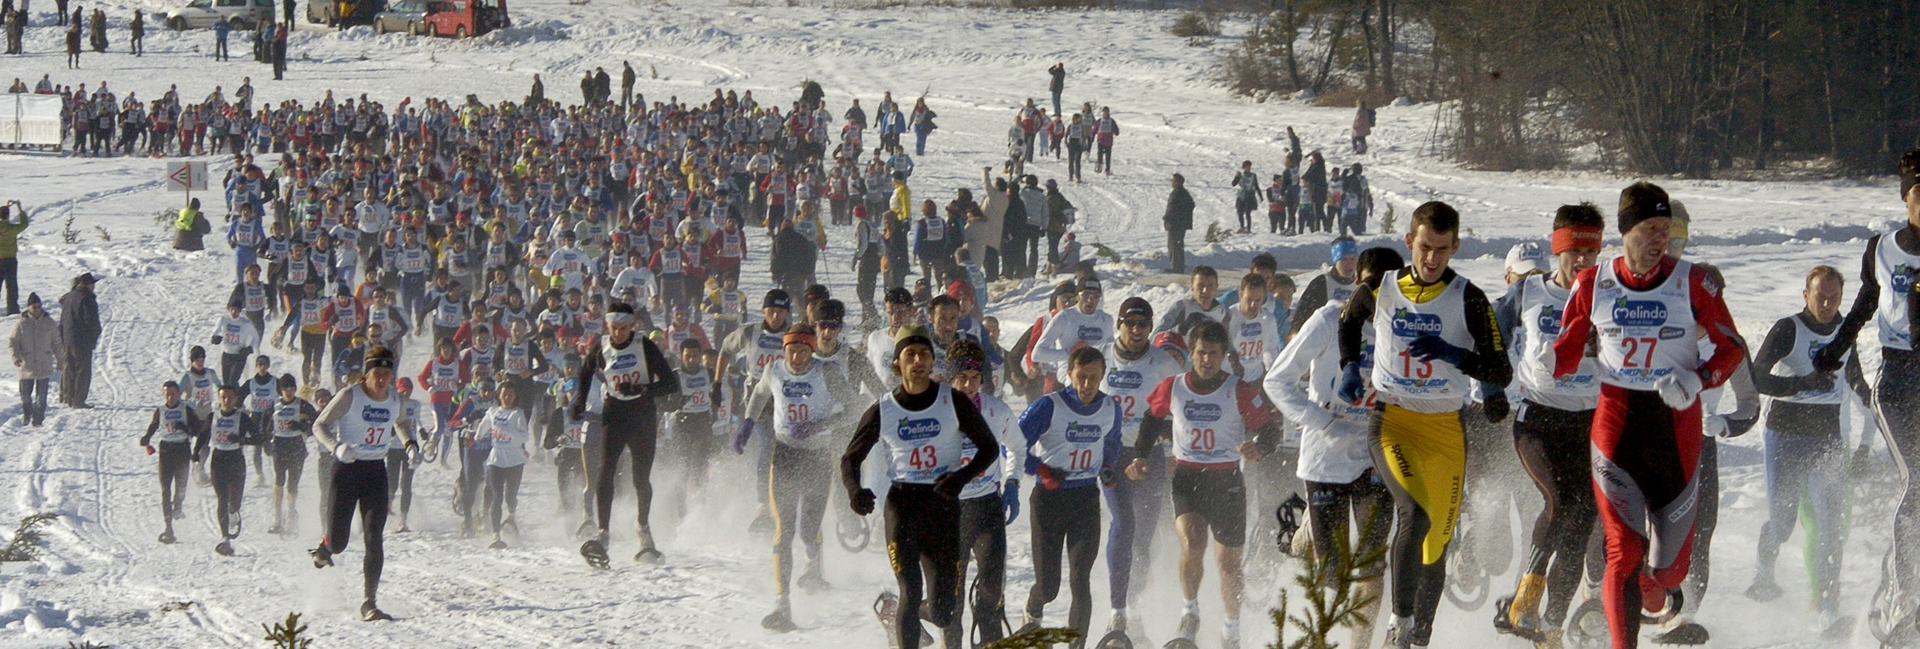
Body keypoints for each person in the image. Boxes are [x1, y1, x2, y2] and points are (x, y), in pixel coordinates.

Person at [1549, 183, 1743, 649]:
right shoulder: (1593, 283)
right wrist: (1558, 356)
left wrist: (1697, 380)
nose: (1661, 240)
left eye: (1667, 230)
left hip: (1676, 432)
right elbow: (1564, 353)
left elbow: (1732, 348)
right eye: (1651, 229)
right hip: (1616, 430)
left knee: (1670, 568)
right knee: (1623, 550)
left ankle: (1649, 593)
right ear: (1626, 232)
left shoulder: (1694, 281)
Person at [1335, 201, 1511, 649]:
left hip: (1446, 430)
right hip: (1392, 422)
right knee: (1414, 513)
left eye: (1442, 250)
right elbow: (1349, 320)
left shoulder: (1468, 296)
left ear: (1455, 247)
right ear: (1409, 242)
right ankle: (1400, 621)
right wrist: (1350, 367)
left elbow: (1500, 369)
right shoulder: (1383, 286)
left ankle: (1420, 636)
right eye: (1424, 247)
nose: (1431, 260)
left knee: (1437, 542)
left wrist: (1454, 354)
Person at [1266, 246, 1402, 649]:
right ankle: (1300, 533)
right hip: (1325, 457)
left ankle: (1359, 645)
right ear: (1355, 284)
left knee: (1372, 564)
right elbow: (1277, 381)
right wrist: (1321, 421)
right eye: (1370, 286)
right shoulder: (1328, 319)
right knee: (1332, 572)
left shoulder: (1405, 328)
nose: (1377, 296)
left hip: (1375, 457)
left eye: (1387, 287)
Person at [1489, 204, 1605, 649]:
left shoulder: (1607, 292)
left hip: (1590, 421)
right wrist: (1491, 389)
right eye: (1574, 250)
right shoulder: (1529, 292)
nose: (1582, 260)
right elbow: (1491, 335)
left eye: (1590, 251)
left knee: (1580, 527)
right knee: (1557, 500)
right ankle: (1528, 590)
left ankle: (1551, 629)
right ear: (1559, 248)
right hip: (1538, 418)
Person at [840, 324, 998, 649]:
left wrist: (959, 478)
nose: (918, 361)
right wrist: (855, 492)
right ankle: (904, 620)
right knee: (911, 591)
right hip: (903, 506)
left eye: (924, 354)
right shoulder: (883, 409)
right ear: (897, 363)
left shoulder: (952, 400)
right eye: (910, 354)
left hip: (943, 506)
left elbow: (989, 448)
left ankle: (898, 614)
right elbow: (850, 459)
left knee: (943, 612)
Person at [1130, 319, 1279, 649]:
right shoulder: (1174, 386)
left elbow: (1270, 431)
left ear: (1224, 354)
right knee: (1194, 543)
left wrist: (1260, 446)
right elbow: (1152, 419)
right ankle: (1190, 611)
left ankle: (1231, 628)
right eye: (1200, 353)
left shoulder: (1238, 389)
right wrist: (1140, 455)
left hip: (1226, 481)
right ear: (1191, 353)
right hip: (1187, 478)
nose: (1207, 360)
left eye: (1213, 353)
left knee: (1228, 566)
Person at [1740, 265, 1870, 638]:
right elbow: (1756, 375)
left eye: (1833, 298)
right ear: (1805, 295)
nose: (1827, 304)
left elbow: (1854, 378)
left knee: (1831, 526)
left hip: (1828, 439)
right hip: (1786, 436)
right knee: (1783, 522)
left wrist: (1875, 402)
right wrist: (1800, 384)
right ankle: (1765, 568)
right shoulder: (1788, 328)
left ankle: (1828, 607)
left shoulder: (1846, 331)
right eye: (1819, 296)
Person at [733, 323, 851, 632]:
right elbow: (759, 394)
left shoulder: (827, 372)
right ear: (782, 350)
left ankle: (814, 562)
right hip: (784, 455)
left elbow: (854, 409)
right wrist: (747, 422)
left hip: (816, 456)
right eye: (791, 350)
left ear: (812, 349)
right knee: (783, 531)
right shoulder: (774, 371)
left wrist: (821, 424)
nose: (796, 357)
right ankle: (781, 602)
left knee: (808, 530)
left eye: (802, 350)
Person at [1088, 297, 1182, 643]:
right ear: (1120, 326)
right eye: (1131, 324)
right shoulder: (1102, 354)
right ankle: (1117, 610)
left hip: (1149, 455)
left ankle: (1134, 603)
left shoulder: (1162, 362)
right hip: (1111, 453)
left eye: (1144, 324)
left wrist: (1176, 443)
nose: (1138, 330)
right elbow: (1079, 390)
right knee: (1123, 522)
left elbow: (1182, 403)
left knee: (1143, 535)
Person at [1016, 345, 1122, 649]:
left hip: (1085, 500)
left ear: (1103, 376)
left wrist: (1109, 467)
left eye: (1094, 378)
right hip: (1049, 501)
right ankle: (1033, 611)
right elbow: (1012, 445)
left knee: (1080, 579)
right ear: (1069, 374)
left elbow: (1112, 444)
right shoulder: (1048, 406)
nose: (1087, 385)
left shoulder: (1111, 408)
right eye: (1081, 377)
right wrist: (1040, 469)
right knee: (1049, 586)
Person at [308, 346, 419, 622]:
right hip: (346, 470)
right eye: (376, 373)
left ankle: (369, 602)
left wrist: (410, 444)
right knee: (339, 541)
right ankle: (325, 547)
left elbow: (401, 421)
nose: (381, 379)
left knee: (374, 537)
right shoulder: (350, 395)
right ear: (366, 374)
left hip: (375, 472)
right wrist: (336, 447)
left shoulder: (395, 399)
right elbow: (319, 425)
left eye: (386, 373)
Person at [569, 302, 677, 568]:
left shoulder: (644, 346)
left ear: (633, 326)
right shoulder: (601, 346)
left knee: (640, 477)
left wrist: (641, 388)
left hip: (641, 416)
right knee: (604, 471)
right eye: (614, 328)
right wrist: (580, 402)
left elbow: (670, 383)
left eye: (623, 328)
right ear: (608, 326)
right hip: (614, 413)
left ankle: (643, 530)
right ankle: (603, 533)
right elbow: (585, 372)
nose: (618, 333)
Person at [941, 338, 1022, 646]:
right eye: (961, 377)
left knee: (990, 590)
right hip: (950, 511)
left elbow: (1017, 445)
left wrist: (1012, 483)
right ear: (950, 378)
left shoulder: (996, 410)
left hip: (987, 506)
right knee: (952, 597)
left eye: (975, 378)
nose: (969, 384)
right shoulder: (935, 412)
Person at [141, 381, 202, 544]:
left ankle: (178, 505)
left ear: (179, 394)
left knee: (180, 487)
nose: (170, 397)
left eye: (173, 393)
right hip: (166, 451)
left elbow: (198, 431)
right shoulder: (160, 411)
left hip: (182, 450)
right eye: (167, 394)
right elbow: (153, 426)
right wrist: (146, 438)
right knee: (165, 490)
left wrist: (185, 428)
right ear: (163, 395)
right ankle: (168, 528)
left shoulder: (186, 410)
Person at [200, 385, 254, 556]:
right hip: (218, 460)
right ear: (219, 398)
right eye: (223, 397)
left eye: (230, 397)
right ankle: (225, 539)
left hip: (236, 460)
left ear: (236, 399)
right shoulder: (213, 417)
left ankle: (234, 511)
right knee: (222, 498)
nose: (226, 401)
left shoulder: (242, 418)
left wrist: (241, 439)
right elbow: (203, 436)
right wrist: (195, 454)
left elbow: (258, 437)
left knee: (235, 500)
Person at [475, 382, 530, 549]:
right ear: (499, 395)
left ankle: (511, 517)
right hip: (496, 460)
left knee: (510, 496)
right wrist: (478, 436)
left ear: (515, 397)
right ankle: (495, 534)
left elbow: (524, 437)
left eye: (510, 394)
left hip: (514, 461)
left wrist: (506, 432)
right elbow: (482, 428)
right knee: (496, 497)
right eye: (505, 394)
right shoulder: (492, 412)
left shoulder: (517, 413)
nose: (507, 397)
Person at [266, 373, 315, 536]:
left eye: (292, 388)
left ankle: (291, 512)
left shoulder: (303, 405)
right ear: (280, 390)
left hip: (296, 446)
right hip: (280, 445)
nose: (289, 391)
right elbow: (265, 426)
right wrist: (266, 442)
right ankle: (277, 517)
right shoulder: (274, 406)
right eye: (285, 388)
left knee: (293, 483)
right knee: (279, 479)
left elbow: (316, 425)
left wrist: (301, 426)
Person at [1290, 238, 1360, 336]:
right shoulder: (1321, 284)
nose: (1349, 264)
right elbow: (1300, 318)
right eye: (1344, 259)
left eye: (1353, 259)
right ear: (1336, 261)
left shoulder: (1361, 284)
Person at [11, 293, 59, 427]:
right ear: (28, 308)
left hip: (44, 363)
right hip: (26, 365)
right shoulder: (21, 323)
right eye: (34, 307)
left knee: (41, 397)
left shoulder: (49, 322)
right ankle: (27, 414)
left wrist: (61, 361)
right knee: (25, 396)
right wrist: (16, 357)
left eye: (39, 306)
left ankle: (38, 420)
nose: (37, 309)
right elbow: (13, 342)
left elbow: (56, 343)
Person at [58, 272, 99, 409]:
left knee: (70, 369)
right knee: (83, 371)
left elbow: (63, 319)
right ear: (87, 285)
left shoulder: (69, 296)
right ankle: (78, 400)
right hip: (82, 341)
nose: (93, 287)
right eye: (92, 284)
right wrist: (93, 338)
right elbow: (91, 321)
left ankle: (68, 397)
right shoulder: (87, 298)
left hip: (68, 339)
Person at [0, 200, 30, 315]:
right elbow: (24, 224)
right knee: (11, 287)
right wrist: (20, 209)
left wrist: (4, 208)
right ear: (8, 215)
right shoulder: (12, 229)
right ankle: (12, 310)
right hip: (10, 261)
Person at [1162, 174, 1193, 274]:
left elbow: (1176, 208)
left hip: (1176, 224)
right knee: (1177, 245)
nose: (1171, 182)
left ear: (1178, 182)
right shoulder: (1181, 192)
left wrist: (1170, 217)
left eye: (1173, 180)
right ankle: (1179, 265)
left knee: (1174, 246)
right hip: (1178, 224)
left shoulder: (1179, 193)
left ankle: (1176, 267)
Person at [1230, 161, 1258, 234]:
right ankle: (1242, 227)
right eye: (1247, 167)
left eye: (1249, 167)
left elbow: (1256, 186)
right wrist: (1236, 176)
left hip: (1250, 196)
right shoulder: (1240, 175)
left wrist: (1260, 196)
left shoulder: (1253, 175)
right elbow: (1233, 184)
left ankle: (1248, 228)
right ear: (1244, 167)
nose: (1248, 168)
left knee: (1248, 212)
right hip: (1241, 196)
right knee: (1240, 212)